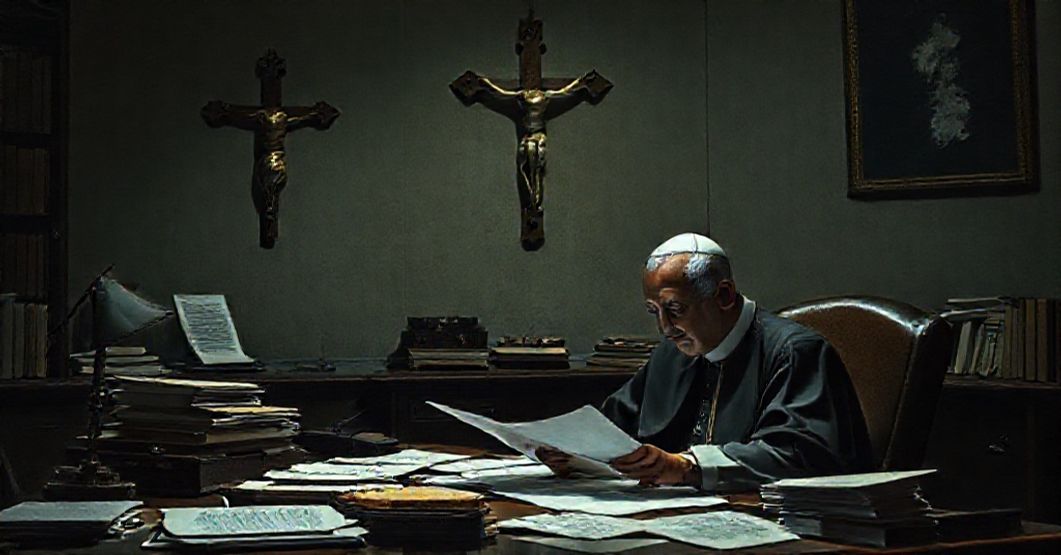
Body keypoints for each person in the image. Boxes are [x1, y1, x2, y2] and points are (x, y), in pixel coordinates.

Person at [538, 233, 873, 490]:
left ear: (724, 296)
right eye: (655, 312)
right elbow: (615, 426)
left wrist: (689, 466)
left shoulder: (796, 352)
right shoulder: (673, 352)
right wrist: (574, 453)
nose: (665, 329)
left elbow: (796, 456)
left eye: (675, 309)